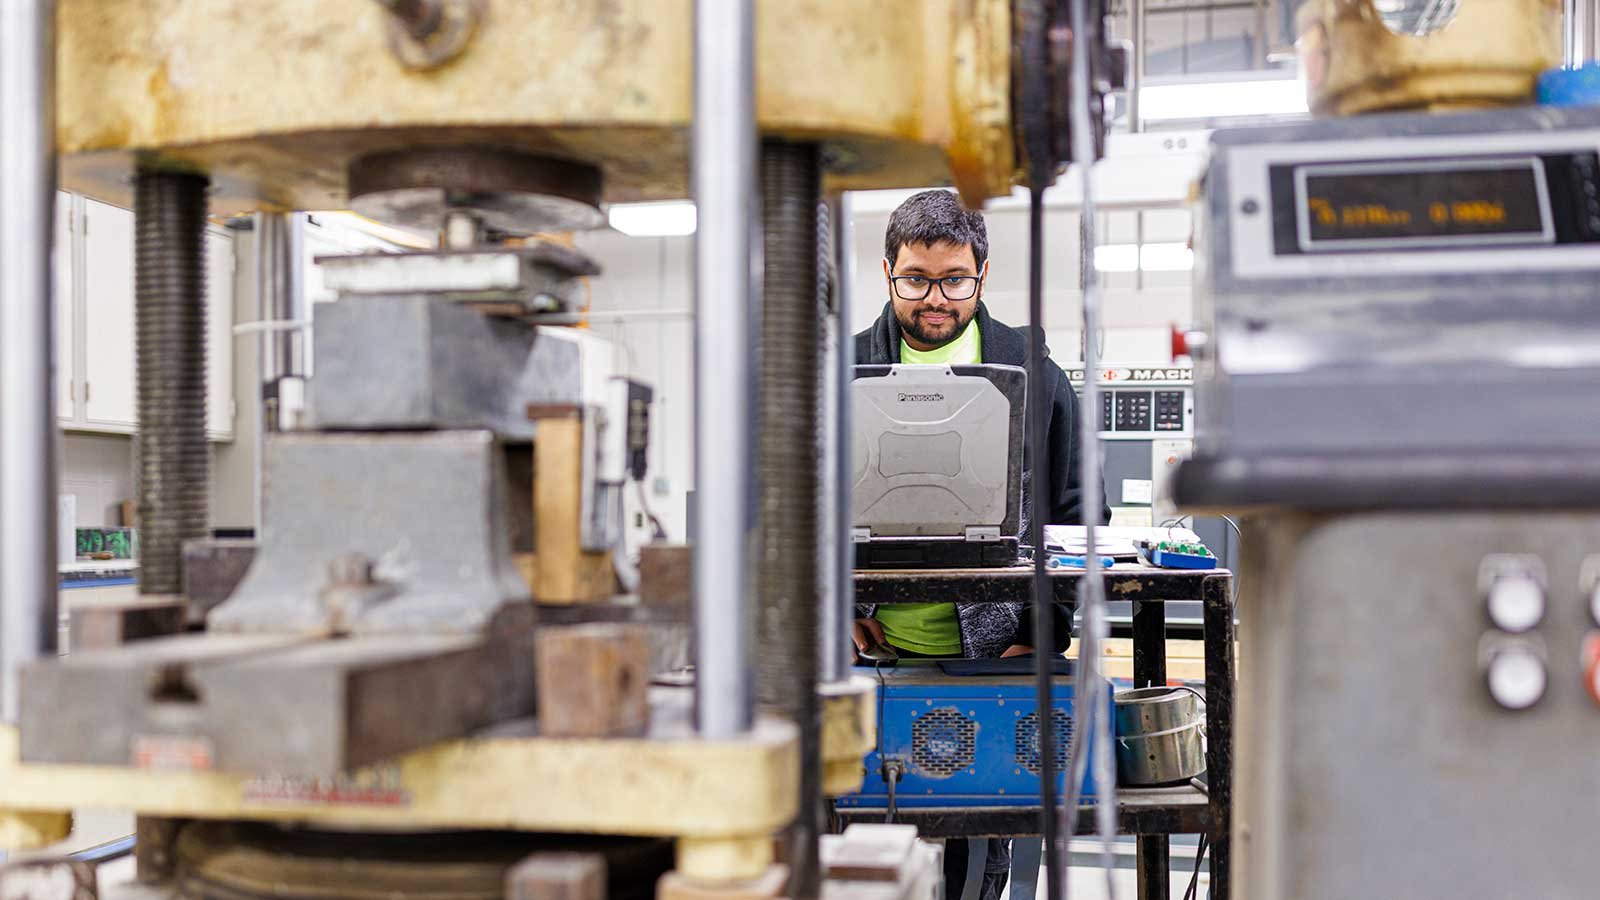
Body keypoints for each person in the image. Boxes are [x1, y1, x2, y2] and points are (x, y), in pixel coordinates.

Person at [851, 189, 1107, 900]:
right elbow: (805, 505)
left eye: (954, 280)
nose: (935, 299)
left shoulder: (1032, 368)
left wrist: (1046, 631)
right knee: (864, 831)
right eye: (915, 280)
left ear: (982, 274)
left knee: (974, 841)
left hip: (990, 654)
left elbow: (1081, 508)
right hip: (874, 652)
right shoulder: (845, 370)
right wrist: (834, 614)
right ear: (888, 273)